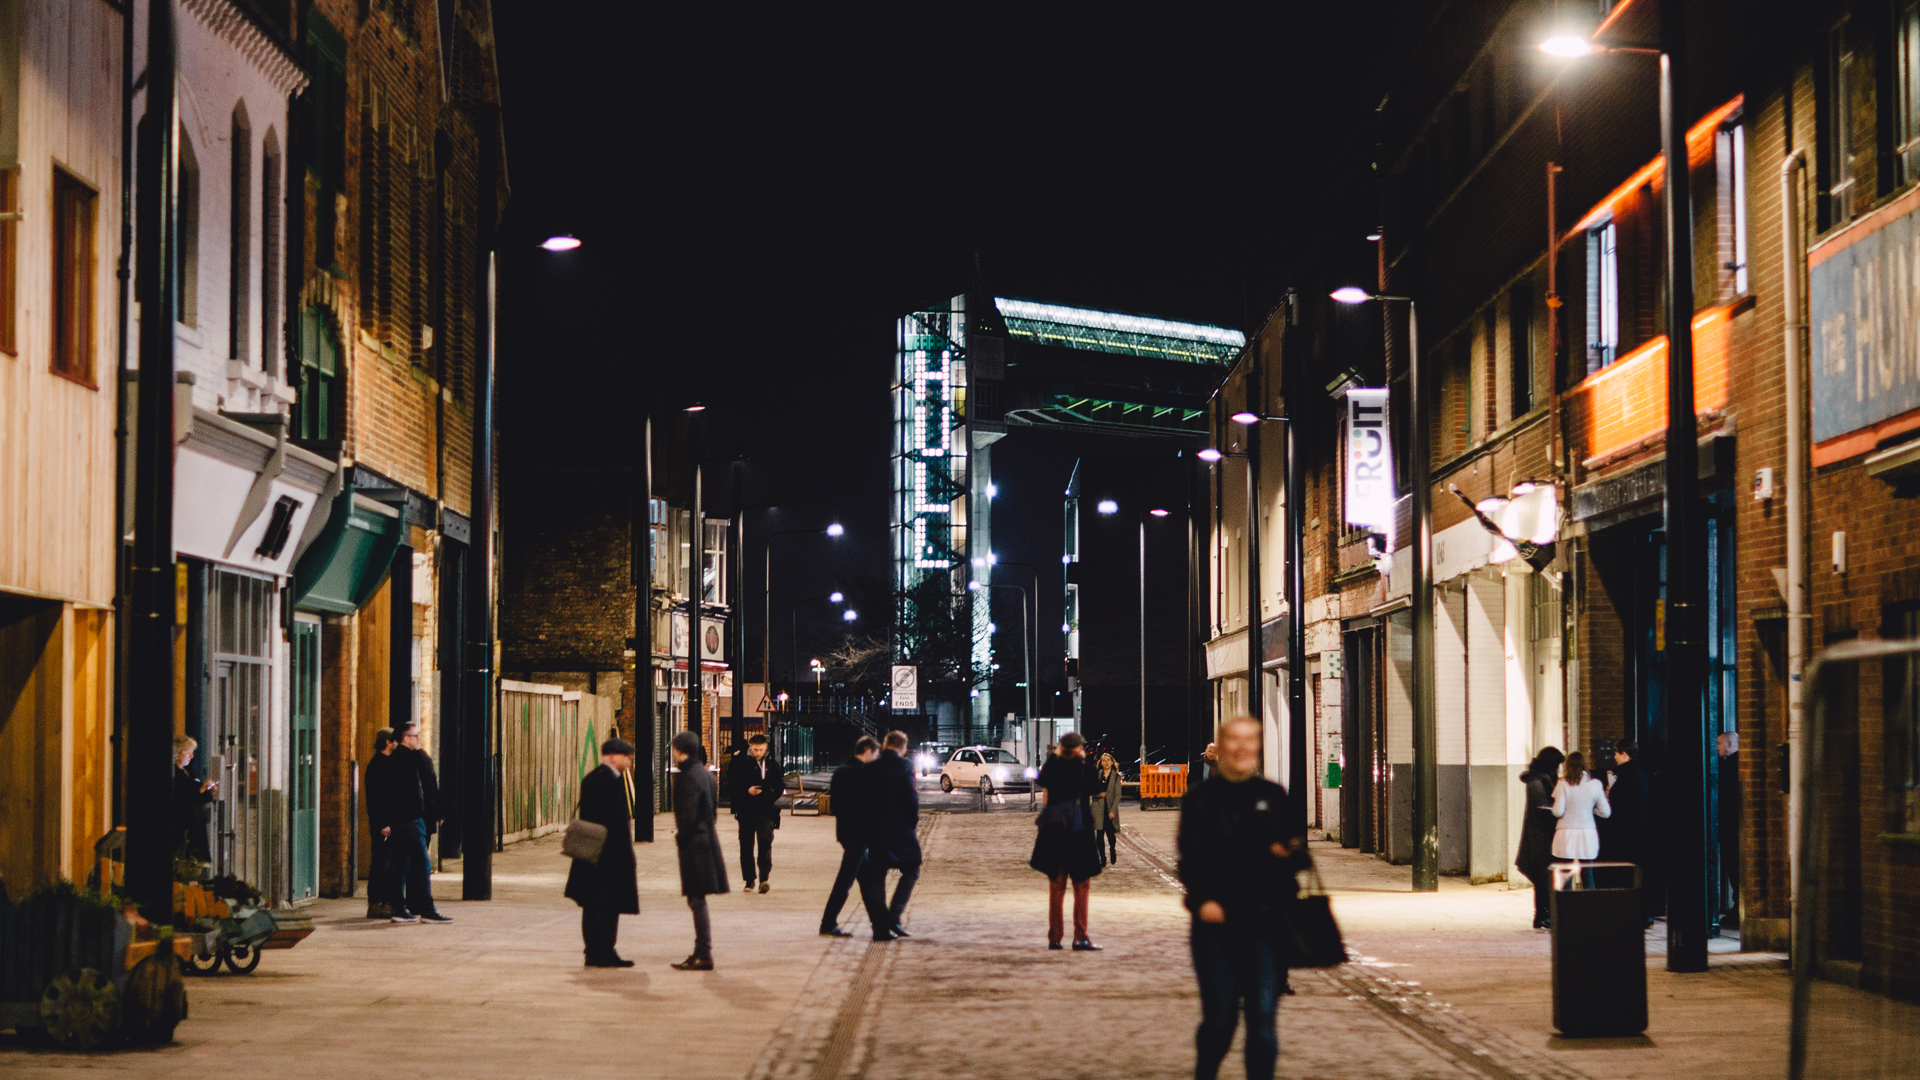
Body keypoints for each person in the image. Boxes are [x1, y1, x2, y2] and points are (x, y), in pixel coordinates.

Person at [1177, 715, 1308, 1080]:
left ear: (1258, 745)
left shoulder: (1273, 795)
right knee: (1221, 1020)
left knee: (1263, 1020)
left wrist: (1287, 852)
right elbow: (1190, 858)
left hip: (1265, 922)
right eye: (1234, 739)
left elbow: (1299, 855)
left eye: (1250, 739)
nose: (1242, 747)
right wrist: (1202, 901)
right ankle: (1206, 1071)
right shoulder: (1200, 800)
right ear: (1219, 747)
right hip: (1215, 925)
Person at [566, 737, 640, 967]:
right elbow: (610, 821)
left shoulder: (597, 778)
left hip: (596, 854)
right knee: (604, 905)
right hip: (605, 856)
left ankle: (597, 950)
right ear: (611, 756)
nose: (629, 760)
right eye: (625, 756)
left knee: (594, 904)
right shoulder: (606, 780)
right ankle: (602, 951)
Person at [1031, 731, 1104, 950]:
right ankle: (1080, 936)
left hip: (1054, 831)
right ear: (1078, 748)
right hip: (1079, 831)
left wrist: (1054, 756)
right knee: (1081, 884)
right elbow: (1099, 791)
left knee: (1057, 884)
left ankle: (1054, 937)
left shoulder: (1052, 767)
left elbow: (1041, 780)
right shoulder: (1085, 770)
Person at [670, 730, 727, 970]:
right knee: (697, 899)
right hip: (706, 839)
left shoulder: (686, 777)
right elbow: (712, 813)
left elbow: (688, 815)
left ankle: (704, 953)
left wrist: (682, 837)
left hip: (695, 844)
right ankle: (701, 951)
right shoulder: (705, 775)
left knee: (696, 899)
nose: (672, 753)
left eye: (674, 749)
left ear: (681, 751)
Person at [858, 730, 921, 941]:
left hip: (875, 830)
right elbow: (911, 800)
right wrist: (911, 824)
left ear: (884, 746)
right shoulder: (905, 766)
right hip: (900, 828)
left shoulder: (870, 767)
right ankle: (893, 916)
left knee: (876, 876)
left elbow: (862, 800)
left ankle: (880, 928)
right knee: (912, 869)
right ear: (903, 747)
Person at [387, 723, 451, 924]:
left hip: (401, 820)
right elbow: (424, 788)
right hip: (412, 819)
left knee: (402, 863)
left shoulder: (398, 759)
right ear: (406, 738)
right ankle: (427, 909)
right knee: (423, 862)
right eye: (415, 736)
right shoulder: (411, 760)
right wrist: (428, 813)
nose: (418, 739)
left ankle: (399, 907)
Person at [820, 736, 883, 937]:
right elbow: (869, 804)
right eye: (875, 754)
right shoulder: (862, 773)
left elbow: (835, 805)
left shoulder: (840, 771)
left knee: (866, 881)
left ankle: (879, 925)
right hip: (859, 833)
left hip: (846, 832)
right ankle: (828, 923)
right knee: (845, 880)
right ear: (868, 751)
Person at [1514, 747, 1565, 930]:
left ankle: (1543, 914)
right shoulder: (1537, 782)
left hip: (1542, 834)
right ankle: (1542, 915)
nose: (1558, 769)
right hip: (1540, 835)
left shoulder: (1540, 779)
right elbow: (1542, 809)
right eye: (1557, 765)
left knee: (1544, 877)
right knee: (1543, 876)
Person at [1602, 740, 1652, 924]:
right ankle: (1642, 911)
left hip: (1626, 833)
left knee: (1626, 872)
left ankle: (1632, 911)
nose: (1614, 756)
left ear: (1625, 754)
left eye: (1616, 753)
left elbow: (1619, 805)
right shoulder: (1640, 775)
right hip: (1639, 831)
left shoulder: (1625, 777)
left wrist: (1608, 797)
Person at [727, 733, 782, 893]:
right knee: (746, 844)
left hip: (765, 810)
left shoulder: (772, 765)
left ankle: (764, 877)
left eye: (761, 750)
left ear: (766, 748)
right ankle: (749, 879)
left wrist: (768, 796)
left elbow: (779, 786)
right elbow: (732, 785)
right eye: (755, 749)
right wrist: (746, 791)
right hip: (746, 810)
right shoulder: (740, 763)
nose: (758, 753)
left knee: (765, 841)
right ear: (750, 747)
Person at [1550, 751, 1611, 874]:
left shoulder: (1563, 783)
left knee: (1565, 876)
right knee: (1588, 875)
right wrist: (1590, 808)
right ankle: (1589, 894)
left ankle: (1566, 894)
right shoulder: (1595, 784)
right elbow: (1605, 812)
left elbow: (1558, 812)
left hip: (1565, 833)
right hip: (1587, 833)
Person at [363, 728, 398, 919]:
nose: (396, 743)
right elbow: (378, 799)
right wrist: (384, 823)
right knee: (381, 864)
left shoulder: (385, 763)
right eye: (394, 740)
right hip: (382, 824)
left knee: (387, 863)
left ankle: (384, 901)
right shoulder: (378, 765)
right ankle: (376, 903)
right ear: (386, 742)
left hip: (387, 823)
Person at [171, 735, 216, 864]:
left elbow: (197, 794)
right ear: (178, 752)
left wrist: (206, 790)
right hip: (185, 823)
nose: (192, 756)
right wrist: (201, 791)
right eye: (189, 752)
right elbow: (182, 798)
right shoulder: (175, 774)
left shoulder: (187, 771)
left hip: (195, 821)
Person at [1090, 751, 1123, 867]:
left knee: (1110, 835)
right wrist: (1099, 794)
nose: (1106, 762)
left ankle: (1112, 850)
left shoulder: (1116, 777)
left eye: (1108, 760)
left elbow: (1118, 795)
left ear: (1112, 762)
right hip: (1098, 809)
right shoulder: (1097, 776)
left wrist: (1113, 810)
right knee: (1099, 836)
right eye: (1104, 761)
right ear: (1101, 763)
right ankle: (1102, 858)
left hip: (1109, 809)